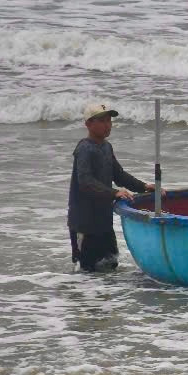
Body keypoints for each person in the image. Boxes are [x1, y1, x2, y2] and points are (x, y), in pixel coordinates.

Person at [67, 102, 154, 272]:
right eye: (102, 121)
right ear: (88, 124)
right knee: (86, 271)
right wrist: (115, 193)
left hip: (103, 222)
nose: (108, 125)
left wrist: (144, 186)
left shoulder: (106, 147)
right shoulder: (84, 148)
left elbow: (119, 175)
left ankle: (107, 298)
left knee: (110, 264)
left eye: (109, 120)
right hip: (84, 223)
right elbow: (86, 182)